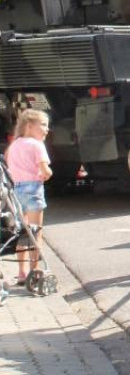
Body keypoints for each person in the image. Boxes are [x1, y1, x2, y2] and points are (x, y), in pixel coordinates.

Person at [4, 109, 53, 285]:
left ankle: (22, 272)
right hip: (33, 189)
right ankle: (35, 270)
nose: (47, 129)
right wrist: (47, 174)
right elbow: (45, 170)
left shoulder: (14, 145)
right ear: (30, 126)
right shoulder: (37, 145)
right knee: (36, 232)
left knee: (21, 232)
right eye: (44, 125)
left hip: (15, 192)